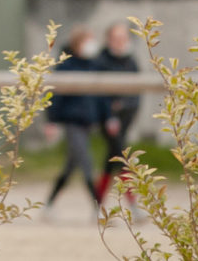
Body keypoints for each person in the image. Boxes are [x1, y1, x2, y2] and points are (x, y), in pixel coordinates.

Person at [45, 26, 107, 218]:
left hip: (88, 122)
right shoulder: (66, 67)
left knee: (71, 165)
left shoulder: (93, 65)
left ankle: (48, 205)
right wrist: (51, 121)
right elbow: (54, 97)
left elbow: (100, 97)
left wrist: (107, 117)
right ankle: (98, 208)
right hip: (72, 122)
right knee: (86, 163)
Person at [94, 21, 141, 204]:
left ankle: (97, 201)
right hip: (108, 119)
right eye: (116, 38)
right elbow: (100, 93)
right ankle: (132, 201)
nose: (120, 42)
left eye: (123, 38)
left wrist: (124, 108)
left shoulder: (131, 61)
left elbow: (136, 92)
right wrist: (110, 116)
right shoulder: (102, 61)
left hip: (126, 117)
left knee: (113, 157)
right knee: (121, 156)